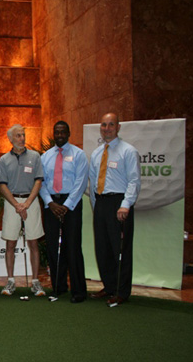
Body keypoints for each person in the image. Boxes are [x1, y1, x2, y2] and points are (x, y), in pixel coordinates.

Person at [89, 112, 141, 306]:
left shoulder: (128, 151)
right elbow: (93, 182)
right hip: (101, 203)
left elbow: (134, 181)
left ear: (118, 127)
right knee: (102, 248)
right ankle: (109, 286)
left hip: (119, 204)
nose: (107, 128)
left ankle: (121, 291)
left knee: (120, 249)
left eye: (111, 125)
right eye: (104, 125)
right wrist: (96, 206)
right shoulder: (96, 153)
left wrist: (125, 205)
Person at [39, 121, 88, 303]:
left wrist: (66, 205)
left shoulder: (78, 154)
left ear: (68, 133)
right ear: (53, 133)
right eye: (56, 132)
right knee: (53, 248)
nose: (59, 135)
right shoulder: (45, 157)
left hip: (71, 205)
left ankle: (78, 291)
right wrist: (51, 203)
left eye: (62, 132)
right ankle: (58, 288)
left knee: (73, 247)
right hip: (51, 204)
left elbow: (81, 182)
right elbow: (41, 182)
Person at [0, 124, 46, 297]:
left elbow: (38, 181)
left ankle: (35, 282)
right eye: (18, 136)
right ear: (10, 139)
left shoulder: (35, 156)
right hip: (12, 203)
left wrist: (26, 204)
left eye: (23, 135)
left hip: (30, 201)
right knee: (10, 243)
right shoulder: (4, 159)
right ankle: (10, 281)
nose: (22, 138)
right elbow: (2, 185)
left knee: (33, 242)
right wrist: (17, 205)